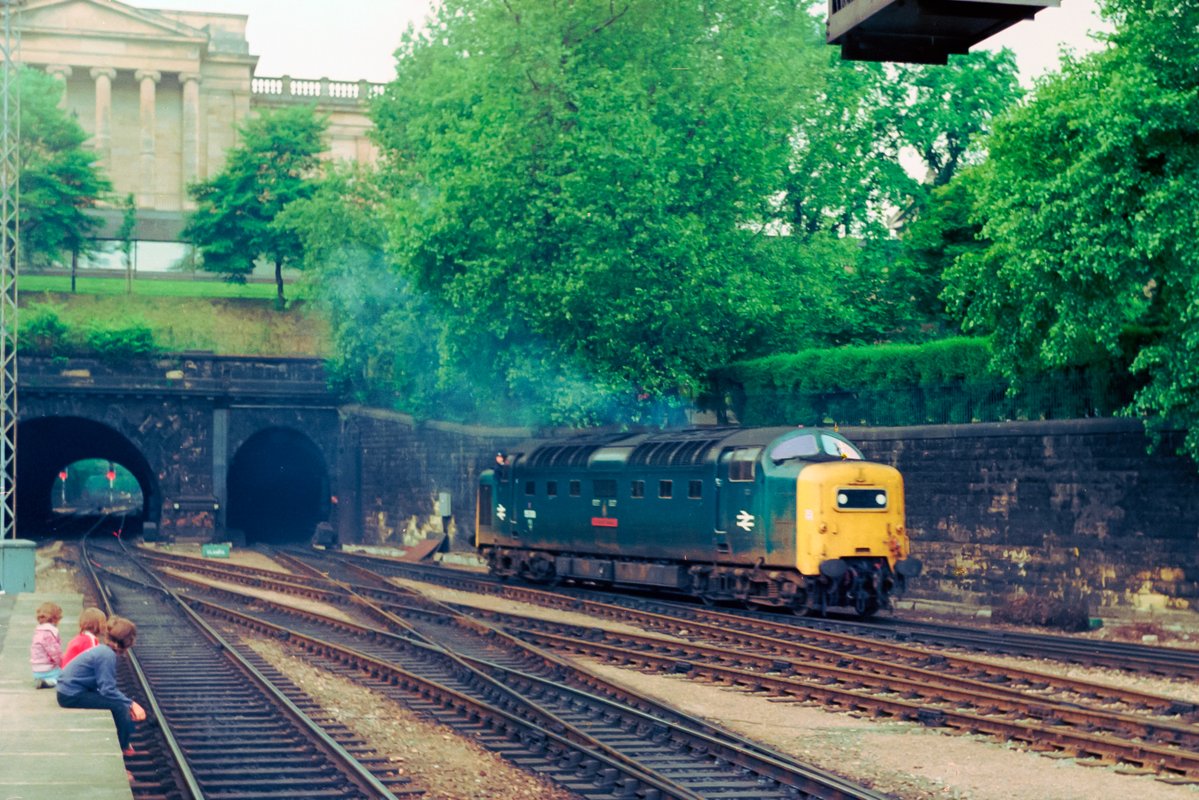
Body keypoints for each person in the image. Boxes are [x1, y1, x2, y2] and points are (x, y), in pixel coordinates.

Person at [56, 615, 146, 755]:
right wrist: (131, 703)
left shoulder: (103, 651)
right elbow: (108, 689)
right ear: (128, 641)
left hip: (68, 690)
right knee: (121, 707)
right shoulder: (107, 655)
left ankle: (124, 742)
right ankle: (123, 747)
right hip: (71, 695)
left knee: (118, 702)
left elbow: (104, 687)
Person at [30, 601, 63, 689]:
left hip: (36, 670)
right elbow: (55, 653)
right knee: (64, 677)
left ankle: (40, 680)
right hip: (47, 669)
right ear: (55, 619)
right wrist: (62, 664)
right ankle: (48, 682)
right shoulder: (48, 633)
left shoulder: (39, 631)